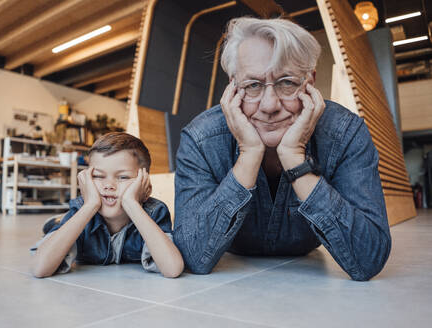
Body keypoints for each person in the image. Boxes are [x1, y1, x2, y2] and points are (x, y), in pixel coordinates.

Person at [173, 17, 391, 281]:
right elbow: (192, 256)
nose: (269, 105)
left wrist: (295, 159)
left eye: (287, 82)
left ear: (310, 81)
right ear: (233, 86)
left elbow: (369, 258)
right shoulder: (200, 138)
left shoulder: (346, 134)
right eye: (252, 85)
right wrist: (249, 154)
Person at [31, 132, 184, 278]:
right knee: (62, 225)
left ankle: (58, 221)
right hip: (79, 214)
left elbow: (172, 269)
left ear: (145, 185)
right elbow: (40, 268)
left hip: (140, 205)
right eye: (98, 176)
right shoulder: (81, 210)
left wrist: (132, 204)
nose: (109, 185)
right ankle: (58, 222)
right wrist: (90, 205)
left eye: (123, 177)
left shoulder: (154, 212)